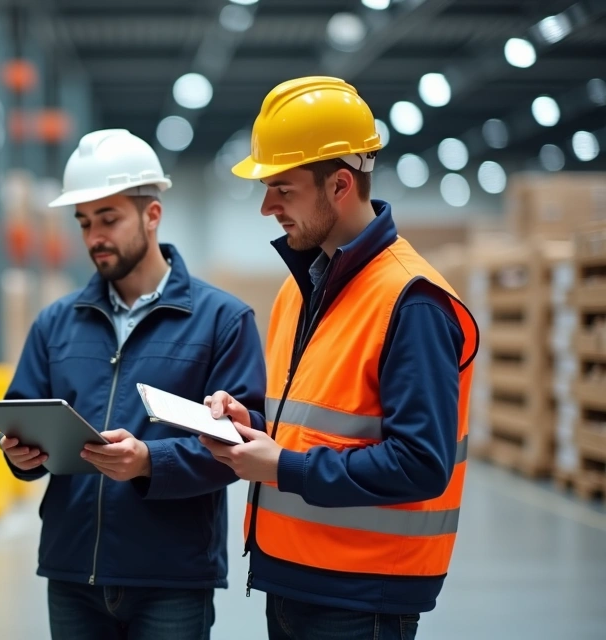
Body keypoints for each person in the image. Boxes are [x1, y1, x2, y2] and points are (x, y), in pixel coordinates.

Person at [199, 76, 480, 640]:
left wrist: (283, 467)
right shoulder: (301, 290)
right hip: (293, 577)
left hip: (361, 597)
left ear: (340, 185)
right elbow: (320, 420)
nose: (267, 207)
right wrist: (253, 426)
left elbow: (420, 463)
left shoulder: (412, 301)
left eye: (283, 189)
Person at [0, 128, 268, 640]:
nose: (94, 237)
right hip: (72, 570)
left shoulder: (222, 320)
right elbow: (22, 416)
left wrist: (150, 461)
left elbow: (242, 444)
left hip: (172, 577)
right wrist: (18, 454)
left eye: (109, 218)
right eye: (84, 222)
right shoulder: (56, 323)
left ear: (152, 214)